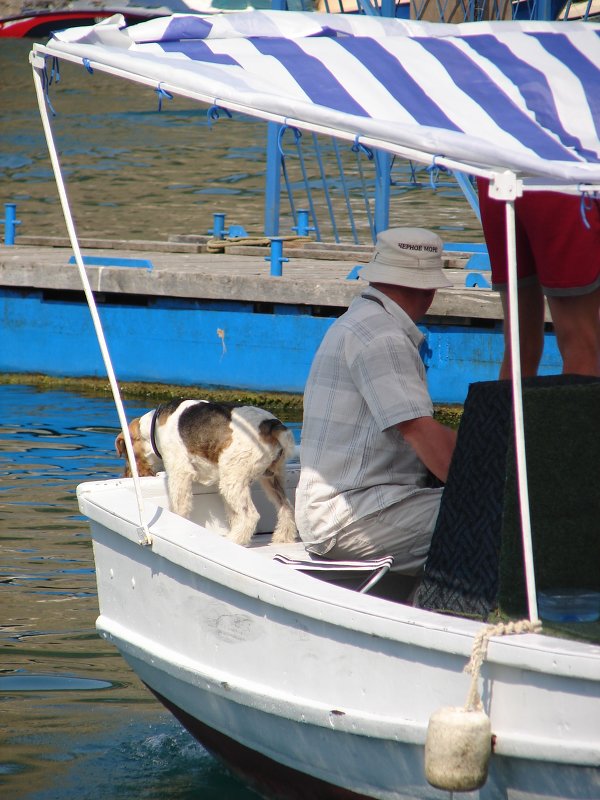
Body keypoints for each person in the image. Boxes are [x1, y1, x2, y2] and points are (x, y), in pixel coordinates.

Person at [295, 227, 457, 575]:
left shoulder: (355, 322)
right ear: (427, 289)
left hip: (333, 512)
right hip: (350, 517)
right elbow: (428, 442)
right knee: (503, 515)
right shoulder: (383, 337)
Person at [477, 178, 600, 379]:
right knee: (580, 343)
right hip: (560, 174)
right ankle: (577, 410)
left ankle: (508, 410)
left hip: (497, 172)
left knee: (519, 345)